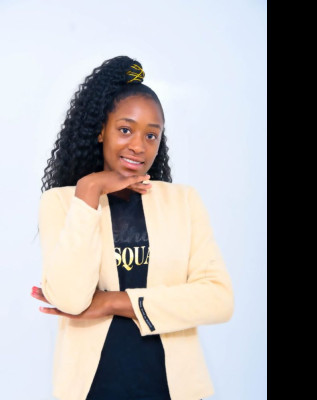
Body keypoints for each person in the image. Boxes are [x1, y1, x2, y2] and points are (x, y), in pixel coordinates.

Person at [30, 55, 234, 400]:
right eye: (125, 130)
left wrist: (113, 302)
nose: (139, 146)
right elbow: (70, 300)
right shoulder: (62, 203)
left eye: (151, 135)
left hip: (172, 390)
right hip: (92, 390)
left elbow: (218, 299)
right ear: (101, 131)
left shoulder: (183, 201)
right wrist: (90, 189)